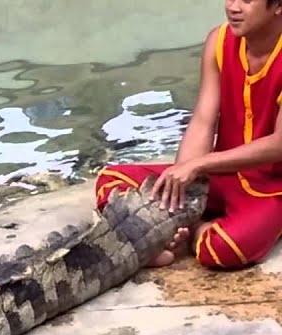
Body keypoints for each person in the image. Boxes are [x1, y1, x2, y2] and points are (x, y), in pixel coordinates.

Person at [95, 0, 282, 269]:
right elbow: (203, 121)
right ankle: (186, 231)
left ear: (277, 7)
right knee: (111, 181)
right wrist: (182, 183)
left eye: (247, 0)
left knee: (223, 250)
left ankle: (192, 235)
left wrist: (199, 164)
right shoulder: (219, 41)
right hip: (222, 175)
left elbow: (279, 144)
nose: (233, 7)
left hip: (271, 187)